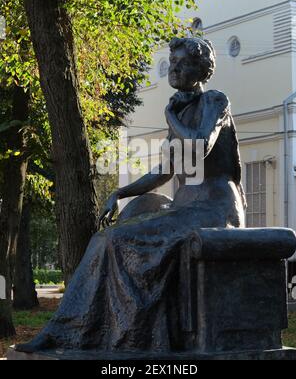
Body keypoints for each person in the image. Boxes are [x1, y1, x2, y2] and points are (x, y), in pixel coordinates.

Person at [16, 37, 246, 354]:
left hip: (215, 210)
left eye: (183, 63)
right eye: (173, 62)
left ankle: (124, 335)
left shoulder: (215, 102)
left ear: (201, 69)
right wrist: (120, 192)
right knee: (106, 237)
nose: (175, 67)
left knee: (114, 241)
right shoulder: (180, 110)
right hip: (185, 207)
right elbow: (164, 171)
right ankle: (68, 330)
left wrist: (171, 118)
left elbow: (199, 146)